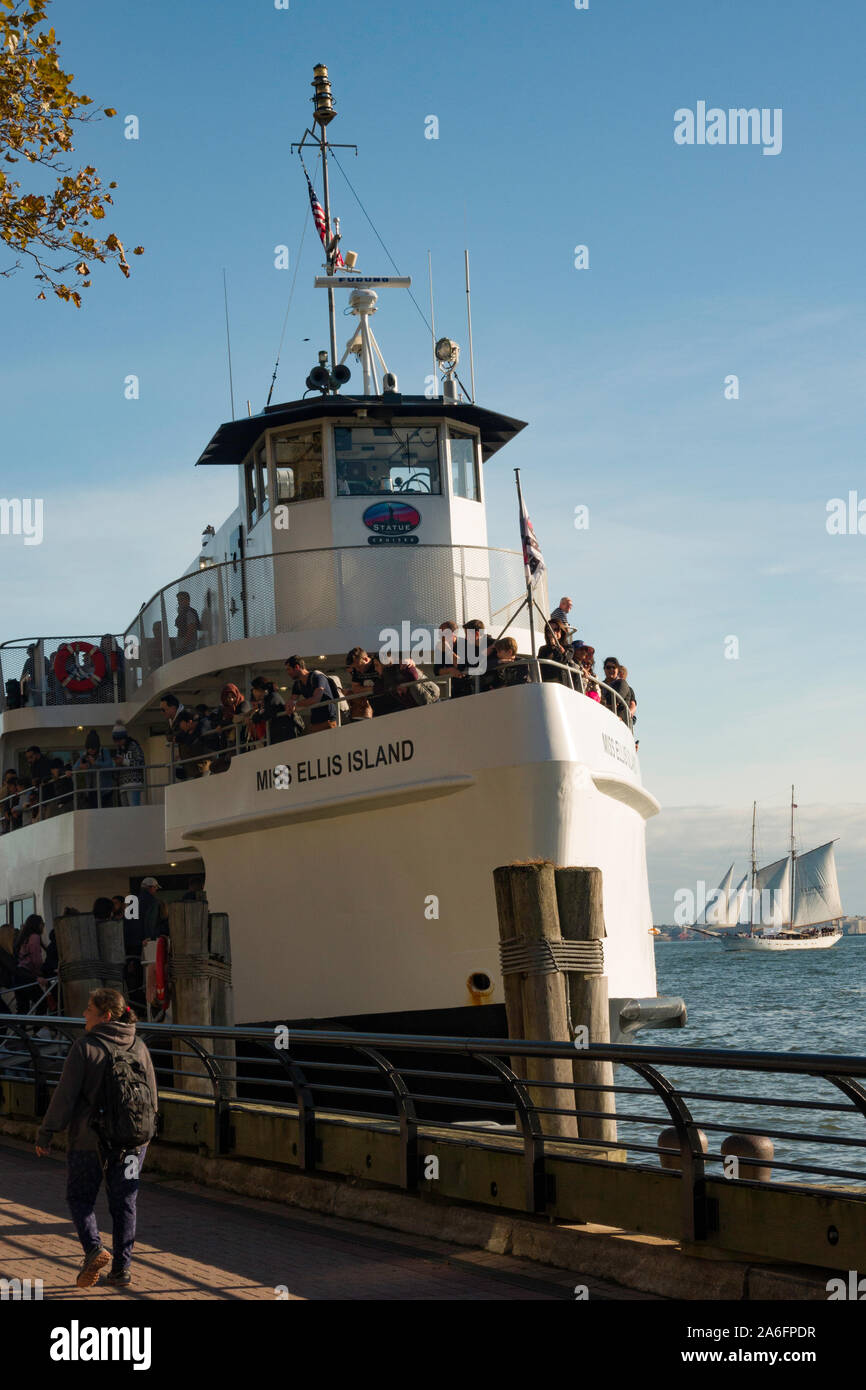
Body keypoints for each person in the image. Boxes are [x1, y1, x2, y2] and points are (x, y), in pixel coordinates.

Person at [35, 987, 158, 1288]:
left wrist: (46, 1132)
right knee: (125, 1202)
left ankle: (93, 1248)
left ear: (104, 1015)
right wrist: (146, 1135)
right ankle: (122, 1270)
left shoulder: (85, 1046)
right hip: (132, 1141)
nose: (83, 1014)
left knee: (79, 1197)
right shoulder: (139, 1044)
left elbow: (65, 1096)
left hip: (90, 1141)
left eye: (89, 1009)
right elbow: (152, 1095)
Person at [285, 656, 338, 733]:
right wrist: (290, 705)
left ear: (297, 667)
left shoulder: (317, 676)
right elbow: (291, 701)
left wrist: (295, 703)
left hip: (328, 721)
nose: (288, 673)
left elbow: (316, 699)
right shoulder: (297, 684)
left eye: (288, 669)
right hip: (314, 722)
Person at [248, 677, 301, 744]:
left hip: (284, 735)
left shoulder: (273, 697)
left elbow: (266, 713)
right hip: (279, 736)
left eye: (254, 689)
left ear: (259, 689)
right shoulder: (269, 698)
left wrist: (256, 715)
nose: (253, 692)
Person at [73, 731, 115, 809]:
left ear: (97, 746)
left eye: (93, 748)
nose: (91, 750)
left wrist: (95, 763)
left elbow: (110, 765)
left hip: (105, 792)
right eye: (88, 748)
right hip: (91, 792)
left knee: (107, 814)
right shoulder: (85, 755)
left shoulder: (104, 752)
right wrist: (81, 767)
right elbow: (75, 768)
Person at [13, 914, 45, 1013]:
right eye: (42, 923)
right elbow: (36, 959)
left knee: (23, 1008)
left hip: (18, 975)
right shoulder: (35, 937)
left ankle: (20, 1028)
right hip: (27, 975)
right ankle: (38, 1028)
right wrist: (39, 974)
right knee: (42, 1003)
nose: (43, 926)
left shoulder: (23, 937)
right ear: (37, 925)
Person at [111, 724, 146, 806]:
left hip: (134, 783)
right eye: (116, 741)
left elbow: (141, 762)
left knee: (133, 811)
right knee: (126, 813)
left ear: (123, 737)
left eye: (118, 740)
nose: (117, 743)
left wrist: (123, 761)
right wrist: (116, 764)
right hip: (123, 784)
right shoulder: (119, 749)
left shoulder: (133, 745)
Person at [344, 647, 378, 720]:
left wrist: (364, 689)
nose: (357, 670)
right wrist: (375, 688)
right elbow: (356, 689)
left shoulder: (377, 663)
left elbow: (385, 684)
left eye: (359, 666)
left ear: (365, 659)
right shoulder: (356, 670)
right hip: (370, 707)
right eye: (355, 668)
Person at [174, 591, 200, 655]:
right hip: (183, 647)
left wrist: (183, 646)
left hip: (187, 648)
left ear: (188, 600)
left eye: (181, 599)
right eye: (178, 600)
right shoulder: (183, 613)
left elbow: (191, 630)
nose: (179, 602)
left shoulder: (189, 613)